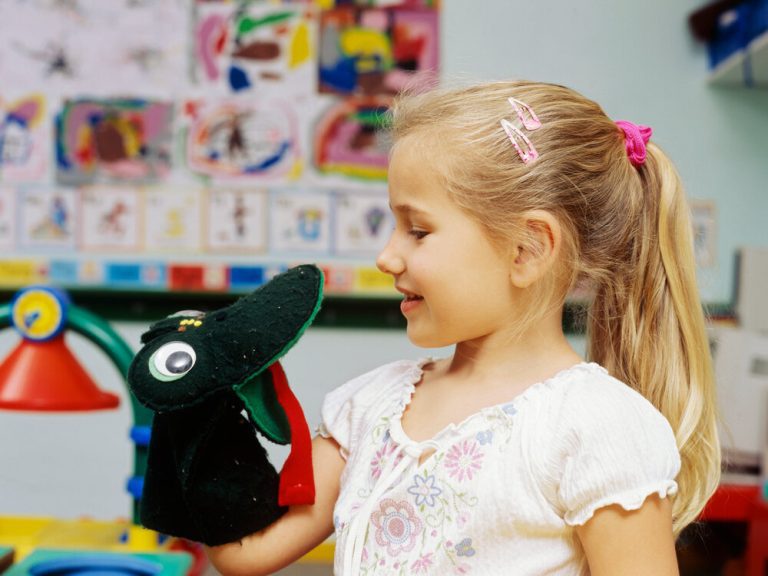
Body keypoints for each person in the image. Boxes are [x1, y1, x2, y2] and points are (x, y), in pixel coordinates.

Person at [206, 80, 721, 575]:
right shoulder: (370, 408)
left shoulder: (595, 427)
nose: (386, 256)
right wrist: (197, 409)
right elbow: (243, 553)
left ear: (528, 249)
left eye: (418, 230)